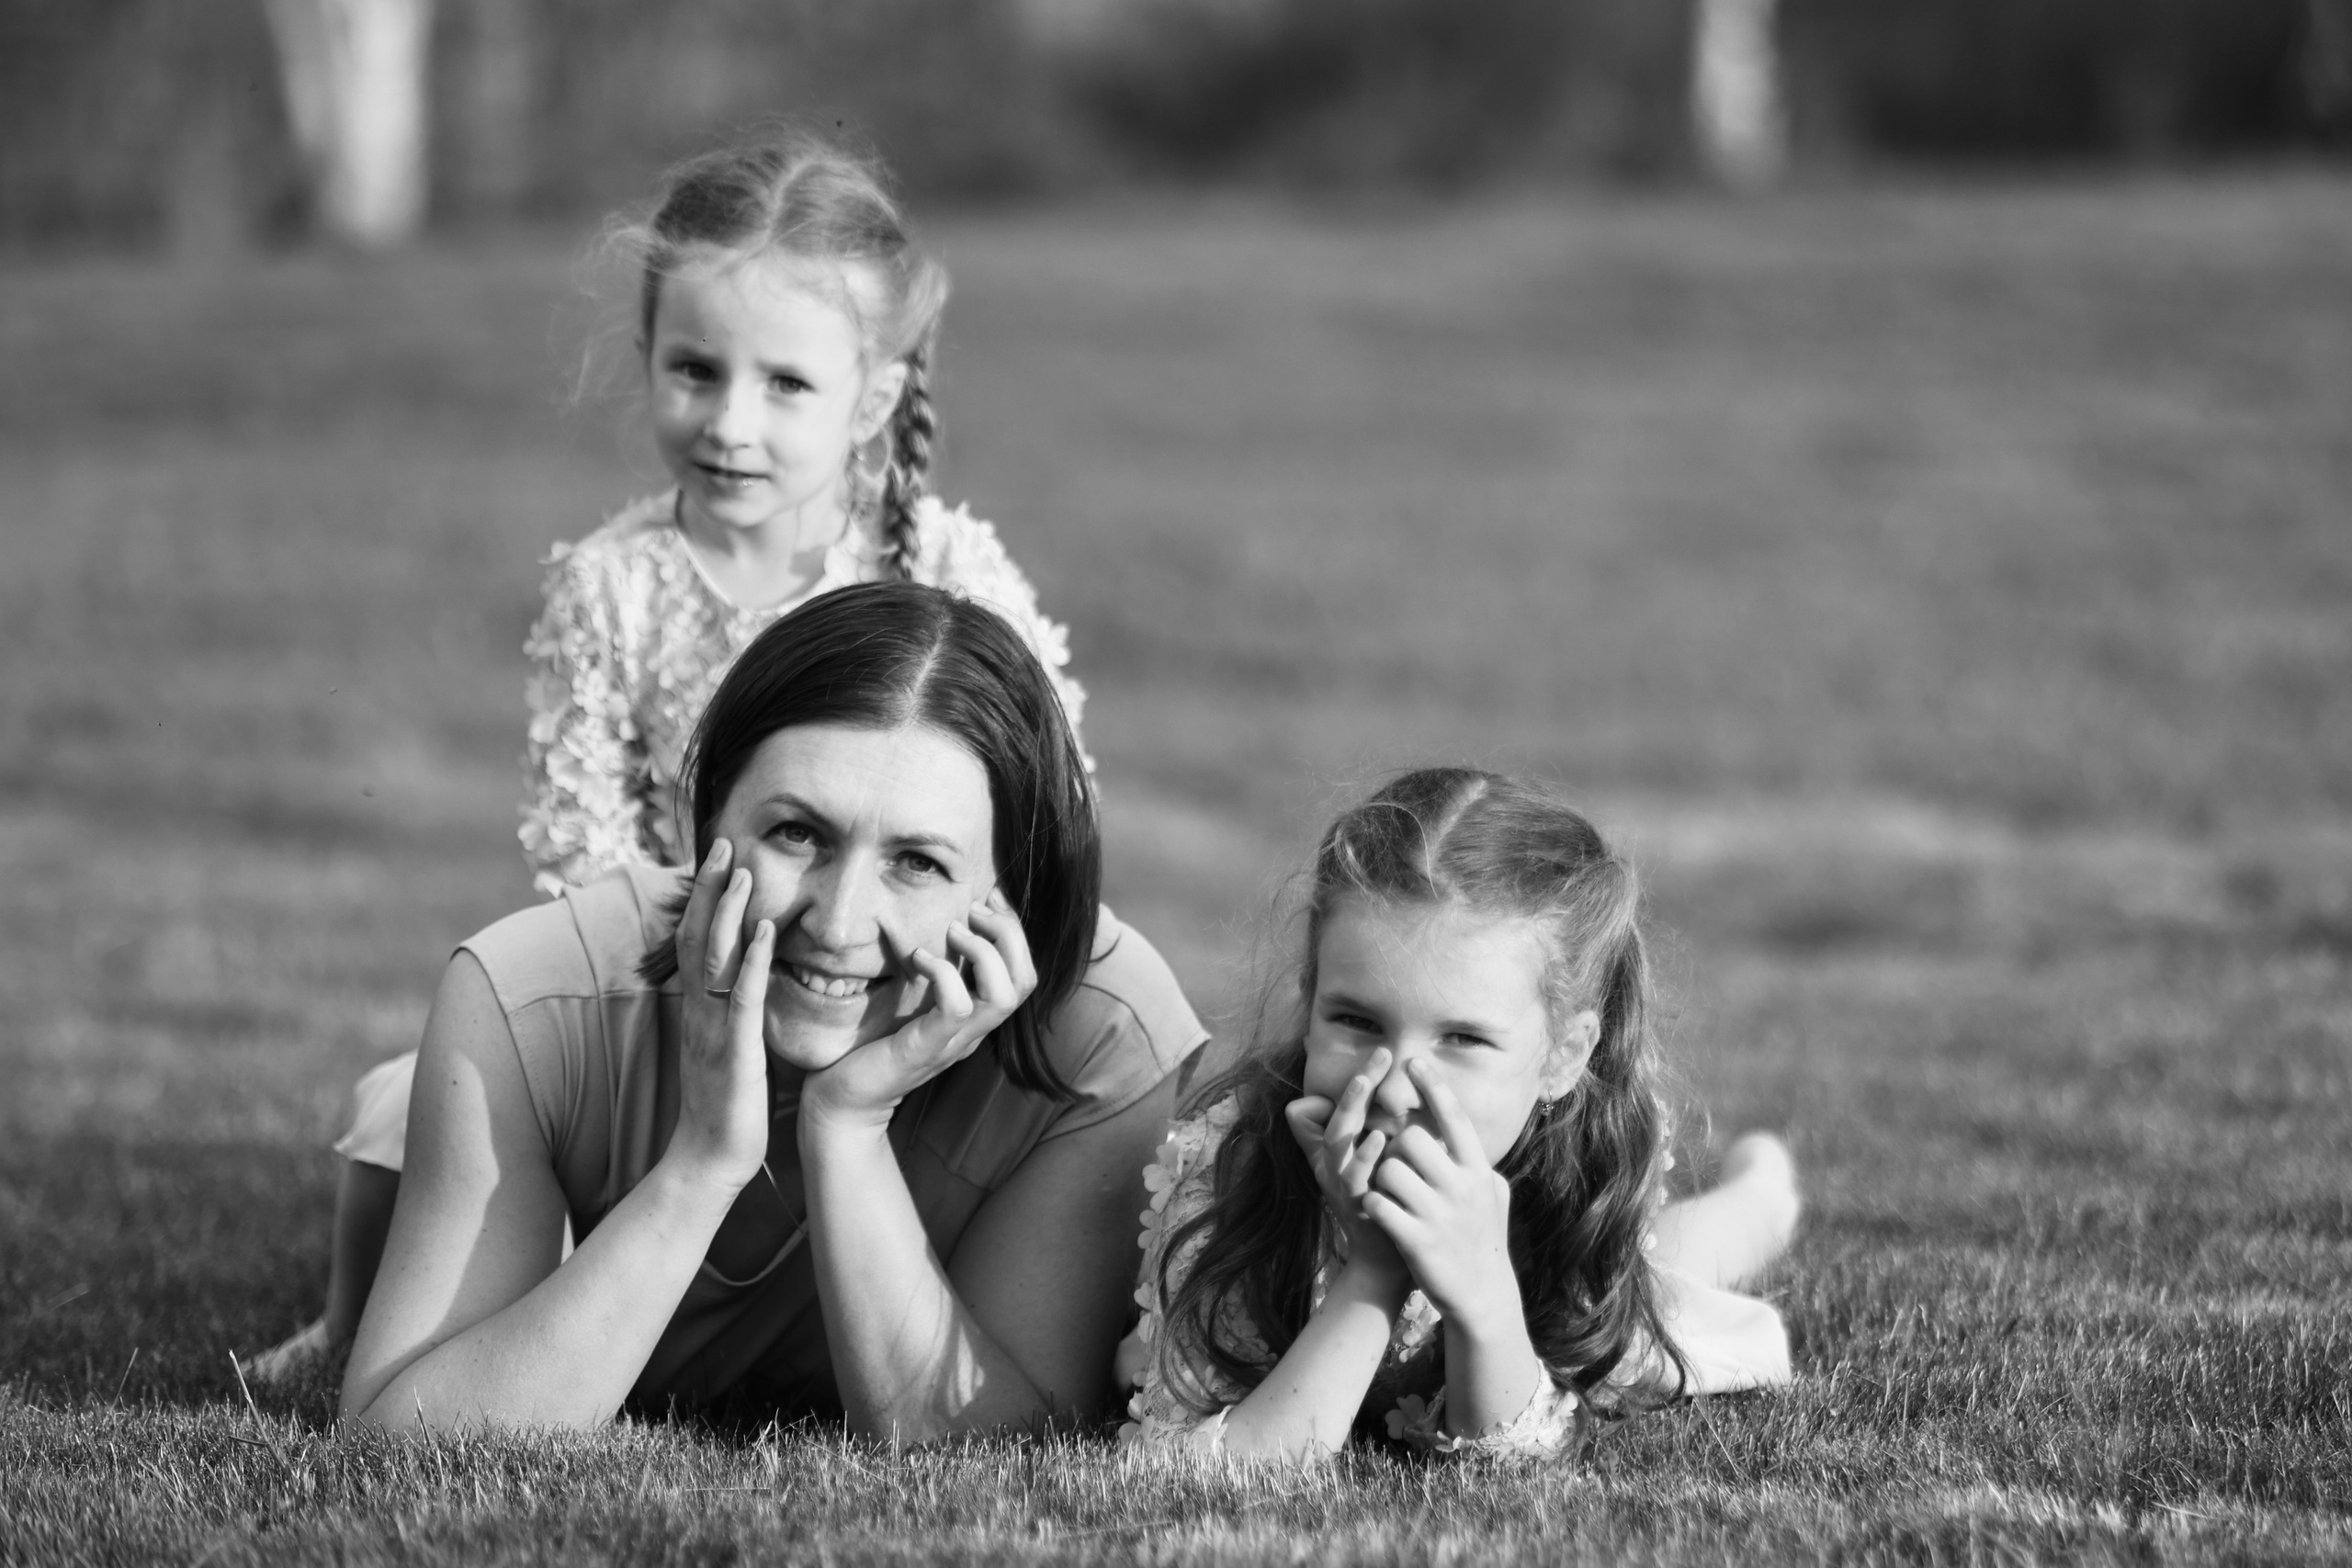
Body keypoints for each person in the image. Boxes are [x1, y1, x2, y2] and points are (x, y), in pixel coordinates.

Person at [252, 130, 1084, 1382]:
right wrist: (692, 969)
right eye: (695, 370)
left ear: (870, 396)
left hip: (879, 982)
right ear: (644, 360)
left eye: (785, 385)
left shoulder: (948, 573)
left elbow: (1043, 797)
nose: (729, 423)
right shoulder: (613, 587)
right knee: (403, 1098)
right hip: (669, 973)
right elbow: (581, 843)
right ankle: (359, 1322)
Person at [340, 583, 1204, 1434]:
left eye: (917, 863)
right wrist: (705, 1160)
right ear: (708, 822)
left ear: (1012, 891)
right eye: (797, 832)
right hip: (513, 1105)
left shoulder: (1102, 1038)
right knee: (416, 1121)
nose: (835, 922)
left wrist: (846, 1126)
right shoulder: (529, 997)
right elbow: (402, 1442)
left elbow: (995, 1448)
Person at [1117, 768, 1796, 1460]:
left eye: (1463, 1038)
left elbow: (1511, 1461)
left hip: (1568, 1266)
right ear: (1309, 1000)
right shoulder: (1232, 1165)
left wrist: (1486, 1293)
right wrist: (1374, 1272)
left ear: (1562, 1054)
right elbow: (1196, 1469)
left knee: (1680, 1276)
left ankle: (1766, 1191)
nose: (1399, 1087)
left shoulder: (1582, 1167)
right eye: (1356, 1019)